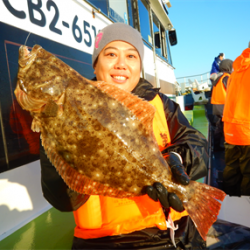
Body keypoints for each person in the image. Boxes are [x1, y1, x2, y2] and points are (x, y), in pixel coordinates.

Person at [40, 23, 208, 250]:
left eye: (131, 56)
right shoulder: (69, 110)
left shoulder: (162, 105)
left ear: (139, 66)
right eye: (110, 54)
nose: (121, 64)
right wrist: (56, 140)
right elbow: (63, 199)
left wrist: (176, 160)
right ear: (96, 64)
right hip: (109, 242)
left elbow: (197, 144)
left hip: (181, 234)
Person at [222, 43, 250, 196]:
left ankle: (229, 199)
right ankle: (246, 205)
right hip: (247, 127)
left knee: (231, 167)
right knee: (248, 172)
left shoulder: (237, 70)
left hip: (230, 127)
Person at [210, 59, 233, 151]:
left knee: (219, 127)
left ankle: (215, 146)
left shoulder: (218, 78)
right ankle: (224, 145)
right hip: (224, 106)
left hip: (216, 106)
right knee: (225, 127)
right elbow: (232, 92)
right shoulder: (227, 77)